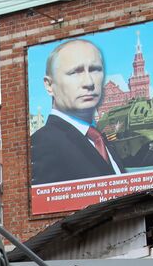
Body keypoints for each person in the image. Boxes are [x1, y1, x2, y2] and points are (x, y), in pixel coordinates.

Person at [29, 38, 123, 186]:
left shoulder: (100, 139)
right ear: (49, 85)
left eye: (95, 69)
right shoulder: (42, 144)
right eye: (75, 72)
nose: (89, 83)